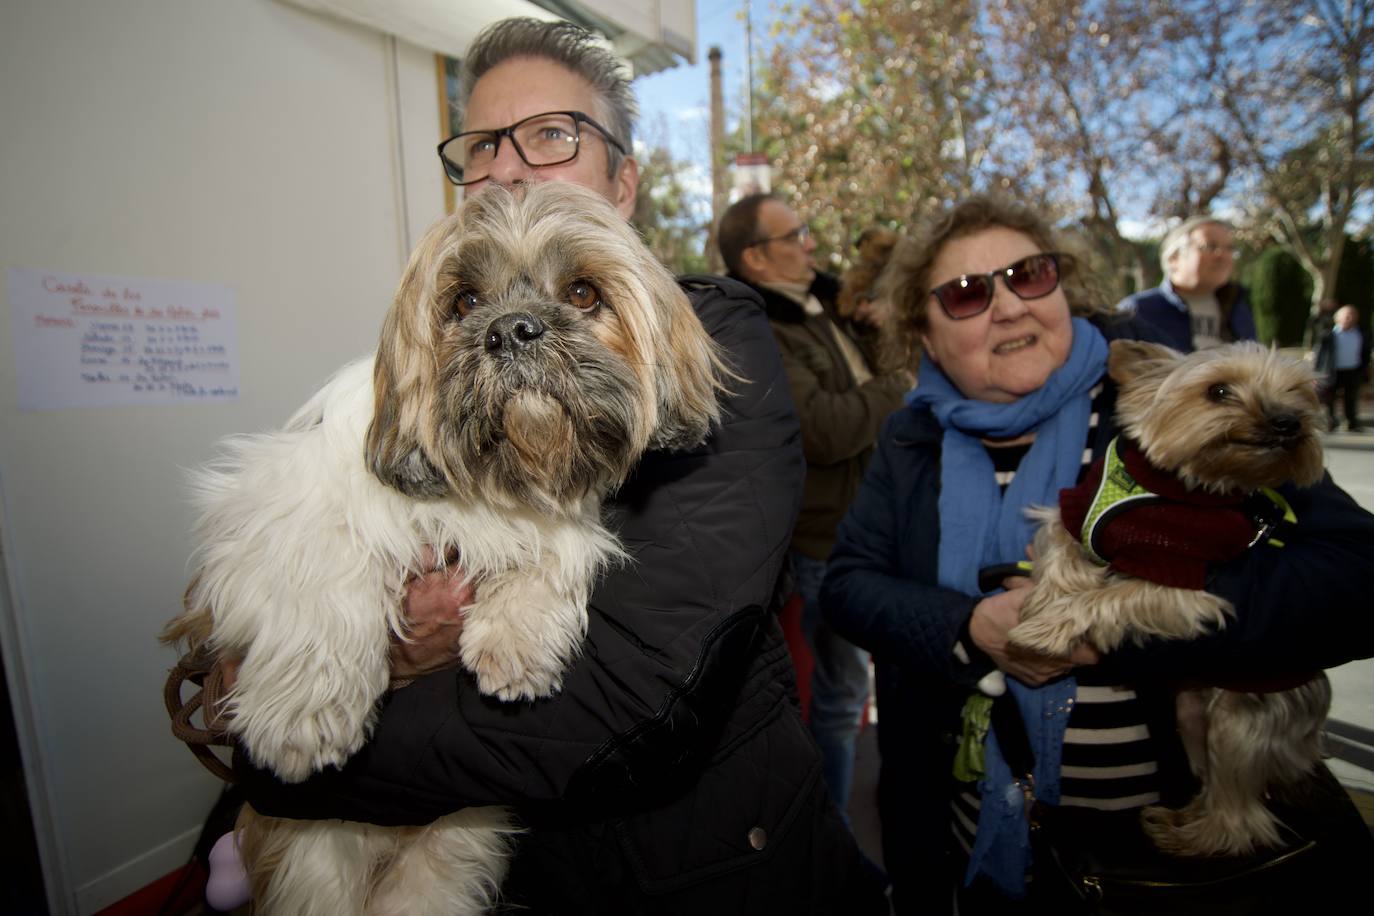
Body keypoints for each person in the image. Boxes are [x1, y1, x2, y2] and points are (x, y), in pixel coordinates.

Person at [229, 18, 888, 915]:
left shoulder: (722, 335)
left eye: (551, 136)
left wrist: (292, 772)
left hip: (712, 874)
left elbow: (637, 694)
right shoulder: (420, 367)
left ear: (623, 180)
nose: (508, 167)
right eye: (482, 145)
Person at [820, 195, 1374, 914]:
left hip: (1177, 845)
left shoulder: (1176, 403)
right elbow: (850, 587)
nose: (1011, 305)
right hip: (972, 839)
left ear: (1063, 288)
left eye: (1030, 274)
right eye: (966, 293)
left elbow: (1357, 584)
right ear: (923, 334)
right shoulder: (910, 437)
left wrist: (1112, 626)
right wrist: (970, 628)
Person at [717, 194, 911, 818]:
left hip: (877, 524)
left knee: (882, 687)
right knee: (842, 693)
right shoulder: (761, 328)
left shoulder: (820, 306)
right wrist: (900, 384)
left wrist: (881, 334)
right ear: (755, 257)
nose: (810, 244)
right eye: (794, 234)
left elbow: (858, 390)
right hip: (832, 540)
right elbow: (825, 429)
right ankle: (835, 842)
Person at [1116, 215, 1255, 351]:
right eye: (1210, 246)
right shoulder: (1136, 311)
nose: (1223, 255)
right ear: (1174, 258)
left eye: (1230, 249)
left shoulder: (1239, 308)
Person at [1316, 304, 1367, 432]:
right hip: (1333, 370)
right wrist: (1317, 373)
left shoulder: (1361, 333)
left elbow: (1365, 352)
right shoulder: (1328, 335)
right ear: (1337, 318)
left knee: (1351, 398)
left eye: (1352, 315)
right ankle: (1330, 422)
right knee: (1330, 399)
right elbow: (1320, 355)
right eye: (1346, 316)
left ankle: (1351, 422)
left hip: (1353, 370)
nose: (1349, 318)